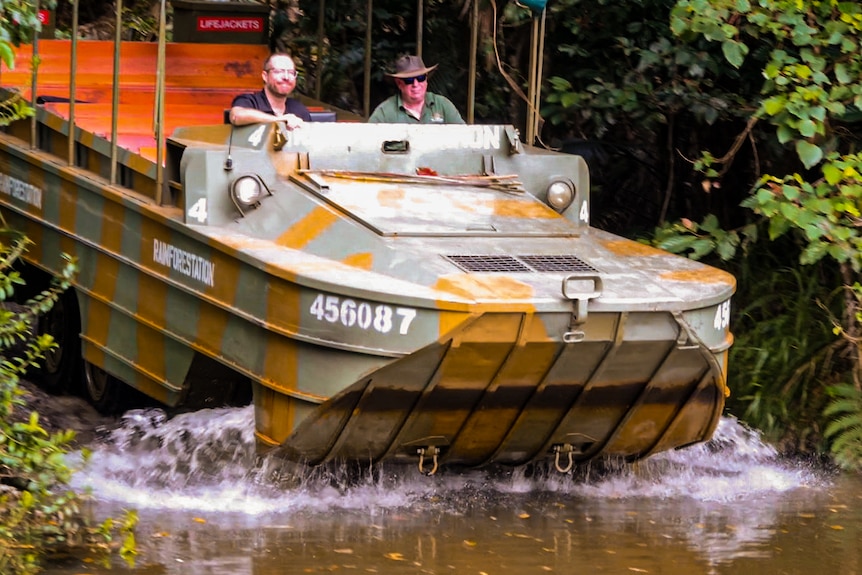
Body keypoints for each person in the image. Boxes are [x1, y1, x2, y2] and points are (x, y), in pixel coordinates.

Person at [368, 54, 464, 124]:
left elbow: (464, 136)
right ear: (399, 83)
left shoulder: (443, 105)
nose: (415, 84)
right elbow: (368, 143)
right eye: (409, 80)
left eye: (420, 78)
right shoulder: (385, 112)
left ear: (426, 79)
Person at [229, 53, 311, 128]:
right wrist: (278, 120)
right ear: (265, 76)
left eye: (290, 72)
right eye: (279, 71)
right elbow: (236, 116)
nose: (286, 77)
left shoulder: (299, 109)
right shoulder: (250, 101)